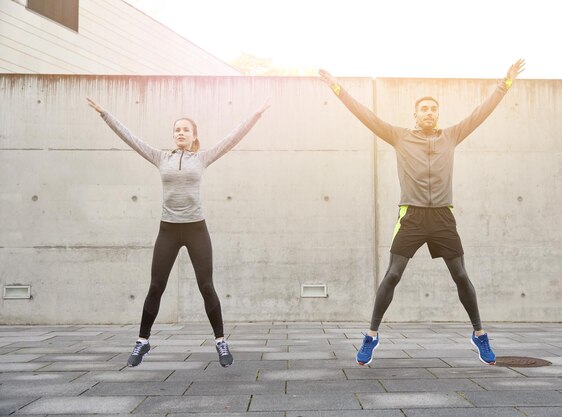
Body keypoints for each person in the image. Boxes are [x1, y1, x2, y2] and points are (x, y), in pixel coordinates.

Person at [319, 59, 525, 366]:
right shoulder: (400, 136)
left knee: (461, 276)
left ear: (437, 114)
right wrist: (337, 88)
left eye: (433, 109)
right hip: (412, 216)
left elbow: (481, 112)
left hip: (442, 216)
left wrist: (505, 83)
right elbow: (365, 115)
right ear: (415, 115)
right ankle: (371, 336)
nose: (429, 113)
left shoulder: (451, 135)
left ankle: (480, 334)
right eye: (424, 109)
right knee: (392, 275)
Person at [87, 97, 270, 367]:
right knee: (156, 286)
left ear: (194, 135)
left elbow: (233, 138)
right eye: (176, 130)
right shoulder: (161, 157)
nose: (180, 133)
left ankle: (221, 342)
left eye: (185, 129)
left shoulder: (202, 158)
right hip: (168, 230)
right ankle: (142, 341)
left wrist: (255, 114)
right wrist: (106, 114)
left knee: (206, 286)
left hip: (196, 229)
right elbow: (131, 139)